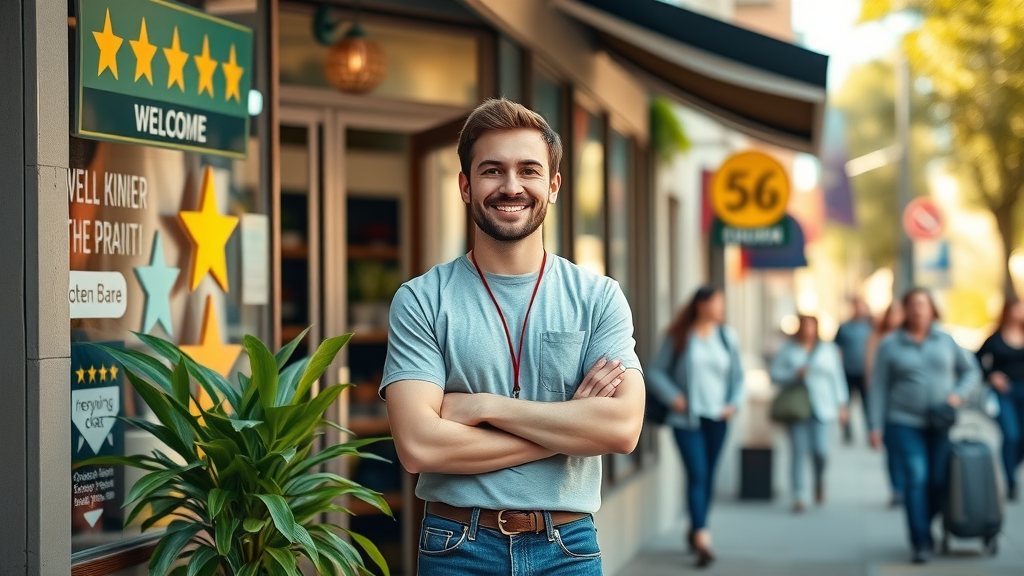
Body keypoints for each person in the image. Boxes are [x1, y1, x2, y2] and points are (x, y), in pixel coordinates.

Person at [381, 99, 645, 576]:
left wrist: (484, 407)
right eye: (491, 171)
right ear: (465, 185)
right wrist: (569, 430)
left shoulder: (599, 298)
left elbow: (622, 428)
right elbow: (419, 446)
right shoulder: (421, 300)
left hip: (568, 546)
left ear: (554, 185)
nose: (511, 186)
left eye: (529, 170)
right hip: (457, 546)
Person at [869, 288, 981, 564]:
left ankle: (927, 523)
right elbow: (879, 387)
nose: (919, 310)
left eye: (924, 304)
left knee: (938, 480)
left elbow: (972, 372)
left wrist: (958, 395)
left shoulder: (946, 340)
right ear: (905, 310)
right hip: (903, 421)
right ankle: (920, 540)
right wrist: (874, 425)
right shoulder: (891, 344)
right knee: (916, 476)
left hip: (940, 421)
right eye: (913, 305)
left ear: (932, 309)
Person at [646, 286, 744, 568]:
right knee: (697, 473)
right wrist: (673, 396)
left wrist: (733, 404)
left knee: (708, 477)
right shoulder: (679, 336)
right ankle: (702, 537)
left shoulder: (727, 337)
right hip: (686, 420)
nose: (721, 307)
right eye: (717, 302)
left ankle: (696, 526)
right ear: (701, 305)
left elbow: (738, 378)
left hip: (718, 419)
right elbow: (654, 372)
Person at [770, 315, 849, 513]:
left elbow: (837, 377)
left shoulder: (827, 349)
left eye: (811, 326)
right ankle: (799, 495)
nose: (808, 330)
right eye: (804, 325)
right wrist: (794, 374)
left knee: (821, 451)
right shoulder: (788, 349)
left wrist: (842, 405)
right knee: (798, 451)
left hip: (823, 405)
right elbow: (774, 374)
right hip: (797, 408)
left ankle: (819, 479)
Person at [976, 296, 1024, 502]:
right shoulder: (995, 338)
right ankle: (1010, 480)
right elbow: (976, 359)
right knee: (1011, 435)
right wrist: (991, 375)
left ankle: (1010, 465)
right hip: (1005, 392)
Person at [864, 302, 908, 508]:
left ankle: (908, 486)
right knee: (893, 448)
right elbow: (871, 370)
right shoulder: (879, 339)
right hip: (888, 402)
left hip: (909, 403)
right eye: (893, 314)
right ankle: (897, 488)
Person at [834, 298, 874, 443]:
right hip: (847, 371)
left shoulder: (871, 326)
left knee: (867, 405)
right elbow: (836, 347)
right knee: (846, 404)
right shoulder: (844, 327)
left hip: (865, 372)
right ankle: (847, 433)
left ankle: (871, 432)